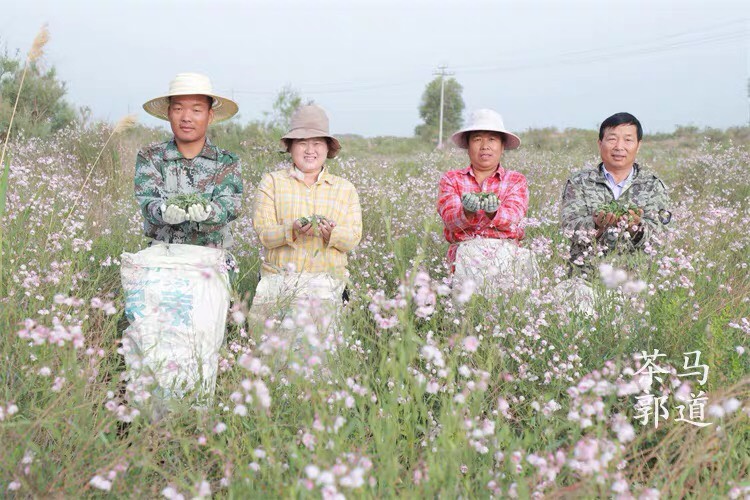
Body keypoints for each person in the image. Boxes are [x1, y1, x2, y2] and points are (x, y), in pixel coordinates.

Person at [251, 104, 362, 340]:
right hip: (279, 284)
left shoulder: (344, 188)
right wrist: (291, 230)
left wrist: (330, 234)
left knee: (322, 364)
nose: (309, 150)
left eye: (317, 143)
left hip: (328, 286)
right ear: (290, 147)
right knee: (273, 359)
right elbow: (264, 234)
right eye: (302, 142)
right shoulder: (271, 182)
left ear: (327, 148)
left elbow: (353, 238)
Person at [556, 112, 671, 315]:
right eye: (612, 139)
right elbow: (568, 227)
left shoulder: (653, 185)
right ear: (600, 143)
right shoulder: (579, 182)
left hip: (635, 284)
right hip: (586, 281)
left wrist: (636, 228)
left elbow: (662, 236)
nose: (619, 147)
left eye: (628, 140)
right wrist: (596, 225)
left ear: (638, 145)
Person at [136, 72, 242, 254]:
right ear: (169, 113)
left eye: (196, 110)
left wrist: (208, 212)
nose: (186, 117)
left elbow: (230, 206)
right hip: (163, 253)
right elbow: (148, 202)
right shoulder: (151, 157)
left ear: (209, 115)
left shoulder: (227, 161)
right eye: (178, 109)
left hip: (212, 257)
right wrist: (163, 211)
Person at [437, 109, 536, 293]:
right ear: (468, 145)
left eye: (492, 139)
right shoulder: (451, 179)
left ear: (502, 146)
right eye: (477, 139)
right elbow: (450, 219)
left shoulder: (515, 180)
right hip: (466, 253)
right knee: (468, 311)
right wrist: (466, 211)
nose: (485, 146)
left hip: (507, 253)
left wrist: (494, 212)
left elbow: (514, 216)